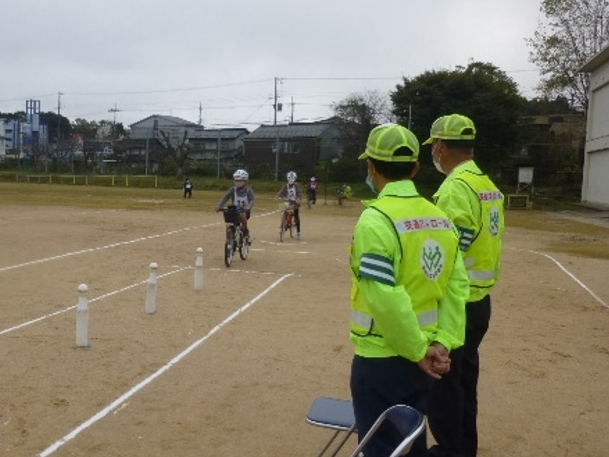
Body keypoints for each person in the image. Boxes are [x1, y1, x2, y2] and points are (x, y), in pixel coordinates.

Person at [349, 123, 469, 457]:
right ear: (415, 168)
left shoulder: (375, 220)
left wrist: (417, 351)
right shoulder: (441, 219)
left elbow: (385, 296)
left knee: (382, 448)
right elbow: (457, 286)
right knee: (411, 441)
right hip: (427, 360)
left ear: (371, 167)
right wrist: (441, 342)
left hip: (382, 359)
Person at [424, 114, 505, 457]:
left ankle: (449, 450)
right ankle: (464, 448)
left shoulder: (456, 188)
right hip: (481, 301)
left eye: (434, 148)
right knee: (464, 381)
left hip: (458, 303)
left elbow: (452, 250)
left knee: (443, 385)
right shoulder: (487, 184)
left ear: (440, 146)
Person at [216, 169, 255, 240]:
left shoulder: (248, 191)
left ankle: (246, 230)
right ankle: (230, 238)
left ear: (245, 181)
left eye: (240, 181)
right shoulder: (233, 190)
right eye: (236, 181)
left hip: (244, 211)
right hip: (234, 211)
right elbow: (225, 197)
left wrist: (249, 206)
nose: (238, 182)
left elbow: (252, 200)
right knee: (228, 217)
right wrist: (219, 206)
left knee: (242, 215)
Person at [276, 171, 302, 239]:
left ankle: (298, 232)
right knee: (283, 211)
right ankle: (283, 225)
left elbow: (299, 193)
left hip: (295, 202)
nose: (291, 181)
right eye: (289, 179)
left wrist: (298, 198)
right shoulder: (285, 186)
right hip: (287, 202)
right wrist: (278, 196)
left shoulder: (296, 185)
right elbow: (280, 192)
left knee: (296, 216)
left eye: (292, 179)